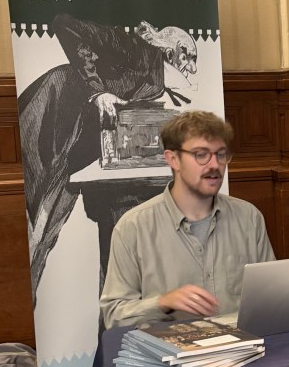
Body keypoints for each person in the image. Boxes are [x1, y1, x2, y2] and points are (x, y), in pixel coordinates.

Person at [19, 13, 198, 302]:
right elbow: (65, 24)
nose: (193, 69)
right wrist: (97, 91)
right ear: (171, 53)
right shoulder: (128, 46)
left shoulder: (155, 81)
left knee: (45, 236)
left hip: (77, 153)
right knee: (33, 230)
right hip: (50, 123)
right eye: (189, 59)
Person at [100, 110, 275, 328]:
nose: (214, 165)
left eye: (221, 154)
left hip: (245, 345)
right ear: (173, 159)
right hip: (169, 349)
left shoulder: (249, 217)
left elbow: (272, 296)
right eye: (201, 154)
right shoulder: (133, 227)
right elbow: (114, 315)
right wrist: (163, 303)